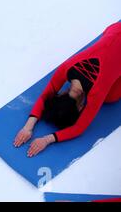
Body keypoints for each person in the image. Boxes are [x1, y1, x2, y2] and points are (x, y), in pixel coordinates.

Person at [14, 22, 121, 157]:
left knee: (112, 98)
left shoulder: (98, 91)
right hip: (114, 29)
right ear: (62, 93)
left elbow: (79, 128)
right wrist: (27, 127)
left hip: (116, 31)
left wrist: (46, 138)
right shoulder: (67, 68)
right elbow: (46, 95)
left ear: (81, 106)